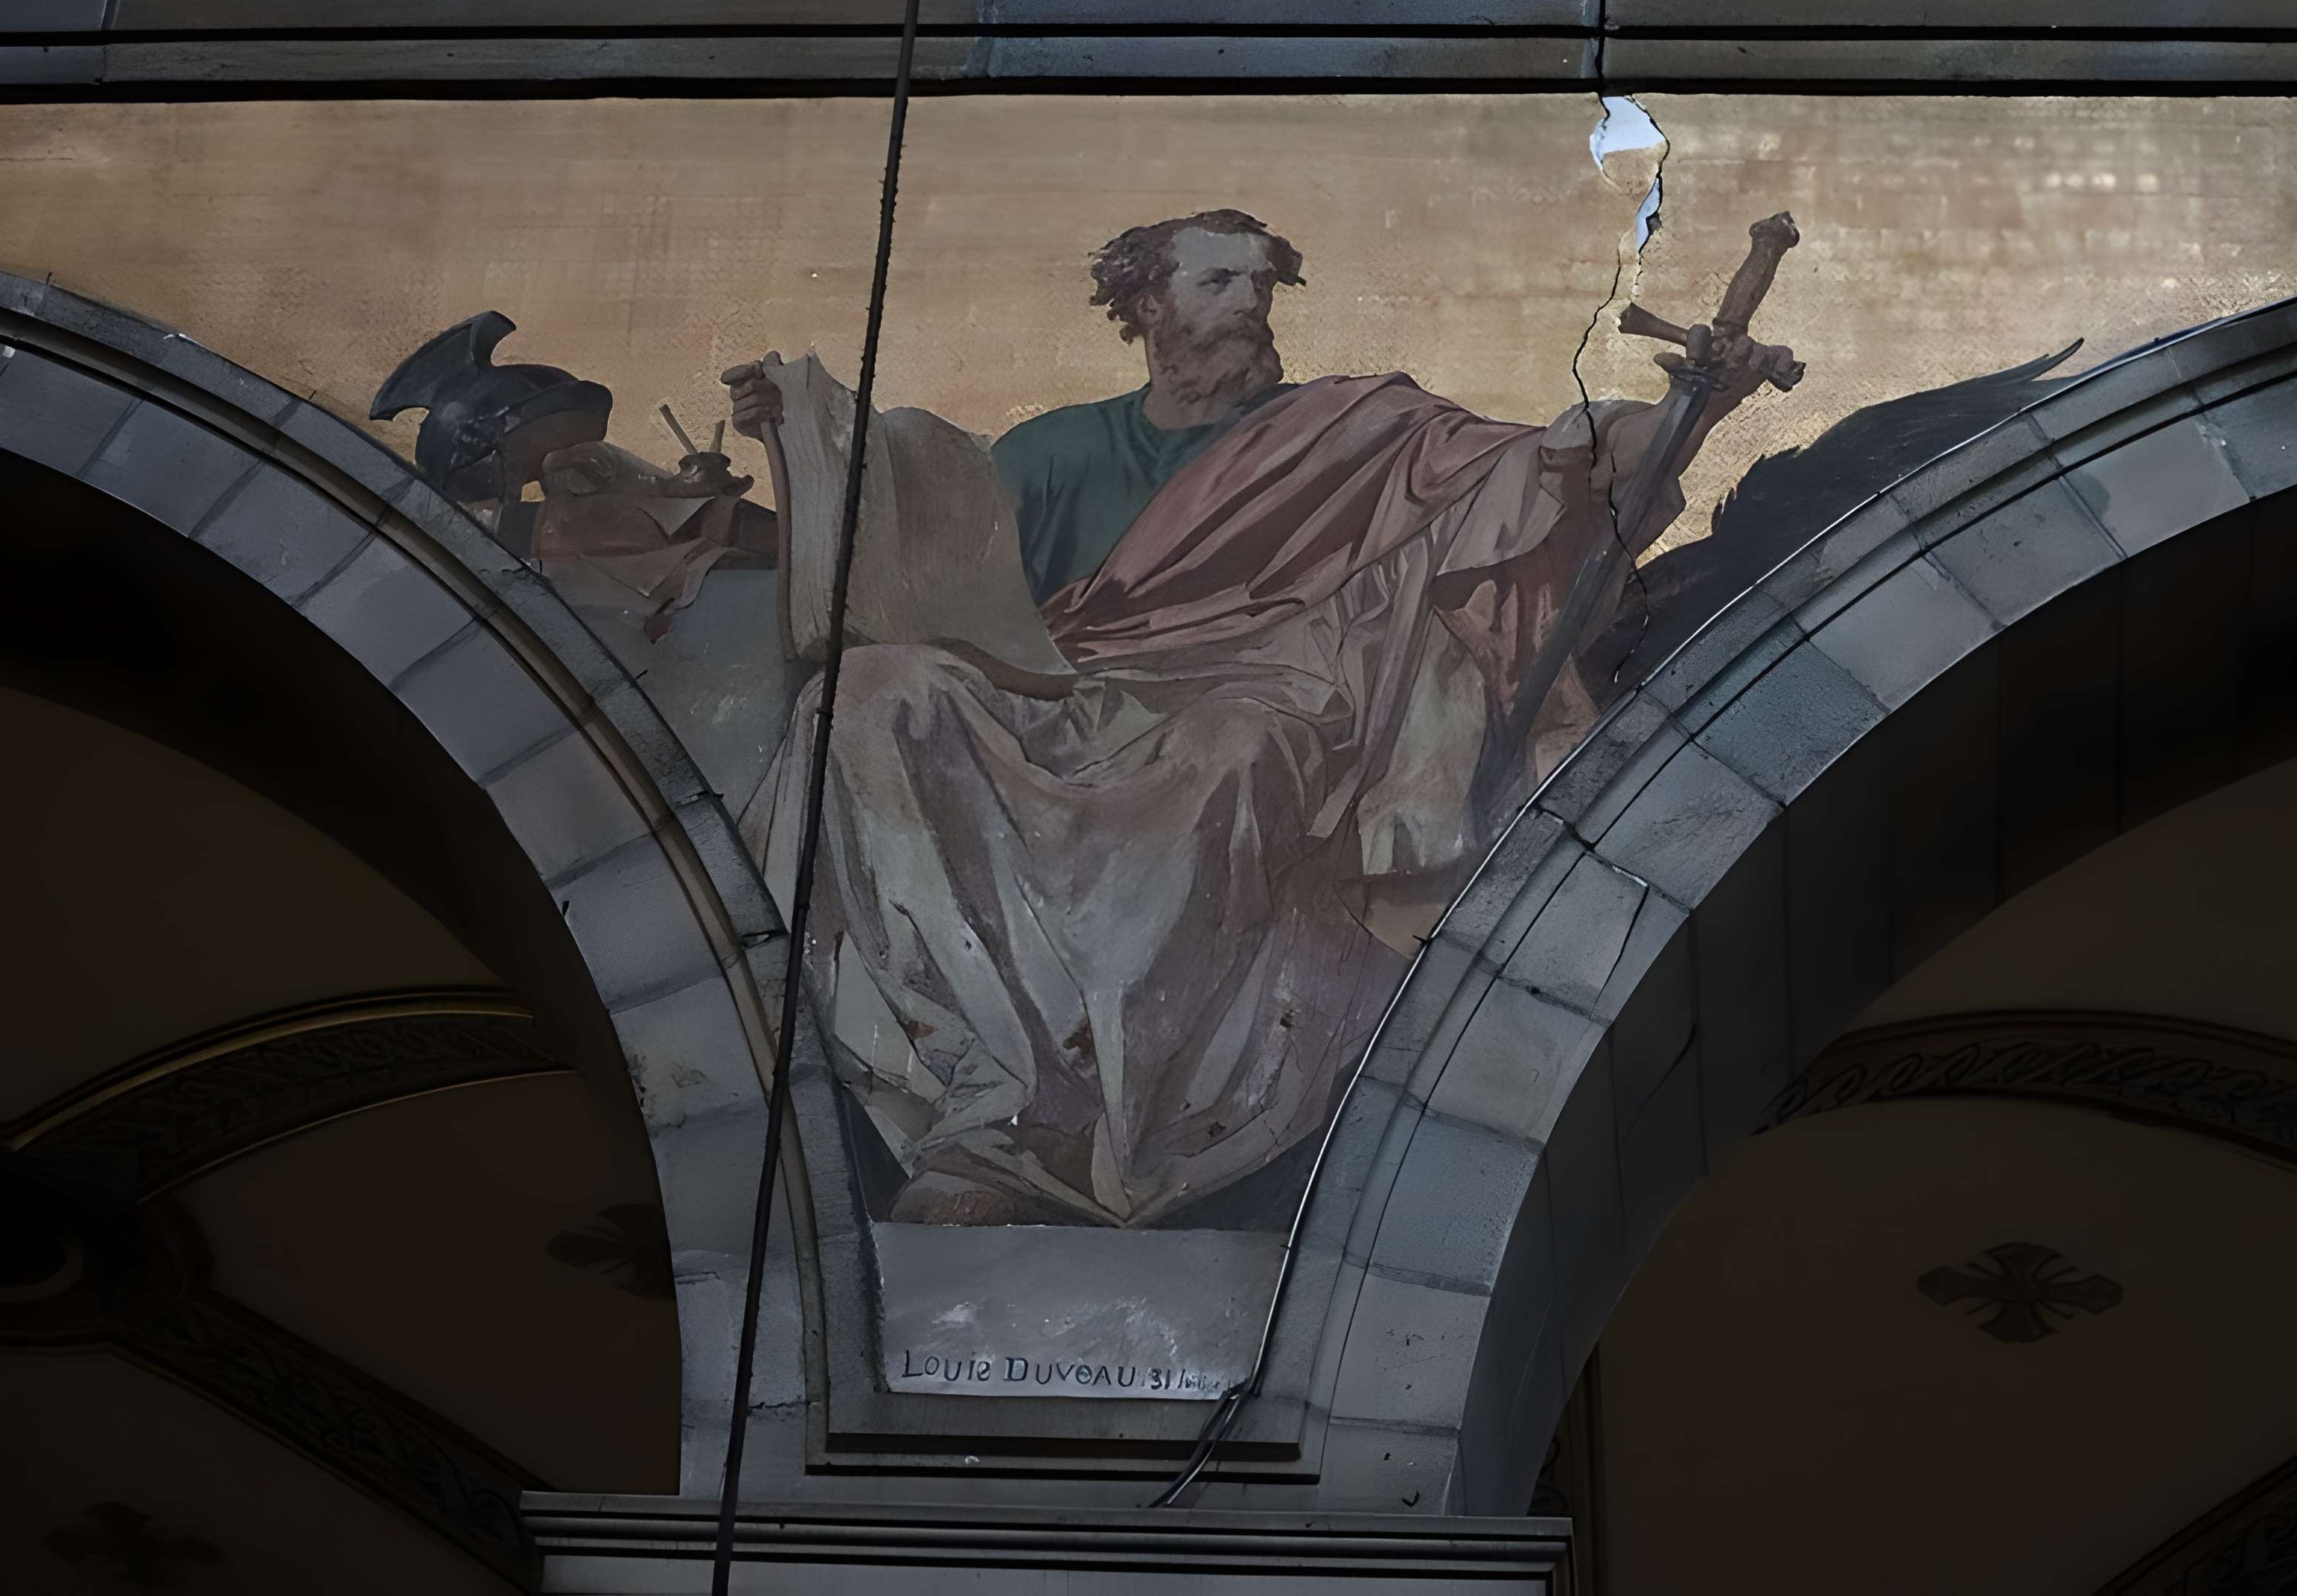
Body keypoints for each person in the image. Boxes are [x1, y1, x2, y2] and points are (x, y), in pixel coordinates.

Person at [726, 208, 1794, 1227]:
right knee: (862, 700)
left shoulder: (1360, 428)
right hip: (1069, 690)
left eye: (1262, 283)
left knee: (1228, 754)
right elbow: (951, 592)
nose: (1250, 303)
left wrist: (1693, 409)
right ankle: (981, 1068)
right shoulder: (1053, 453)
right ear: (1146, 304)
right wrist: (812, 458)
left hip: (1268, 693)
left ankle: (1101, 1106)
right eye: (1218, 279)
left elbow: (1545, 471)